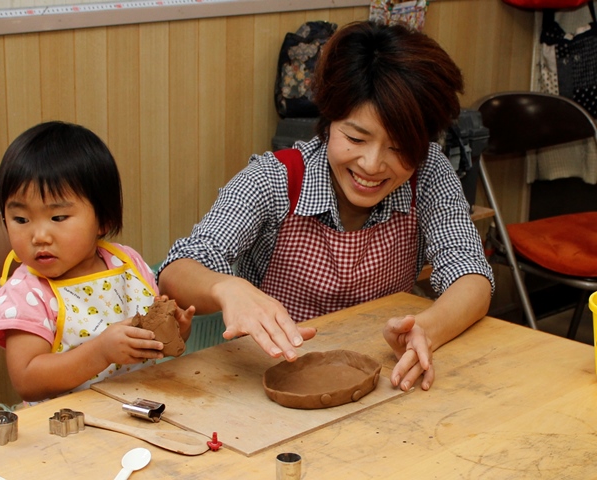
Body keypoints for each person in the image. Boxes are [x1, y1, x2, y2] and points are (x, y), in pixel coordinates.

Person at [158, 21, 494, 392]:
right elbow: (177, 271)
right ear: (328, 119)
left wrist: (428, 329)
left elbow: (471, 275)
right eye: (355, 138)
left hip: (383, 376)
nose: (371, 164)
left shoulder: (429, 172)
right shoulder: (273, 179)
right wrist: (227, 288)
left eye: (399, 147)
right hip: (273, 380)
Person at [0, 121, 195, 403]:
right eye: (21, 220)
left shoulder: (126, 263)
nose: (39, 236)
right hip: (66, 430)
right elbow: (27, 379)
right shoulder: (26, 293)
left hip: (140, 407)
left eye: (58, 218)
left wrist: (173, 332)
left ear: (104, 219)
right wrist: (100, 353)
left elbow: (149, 343)